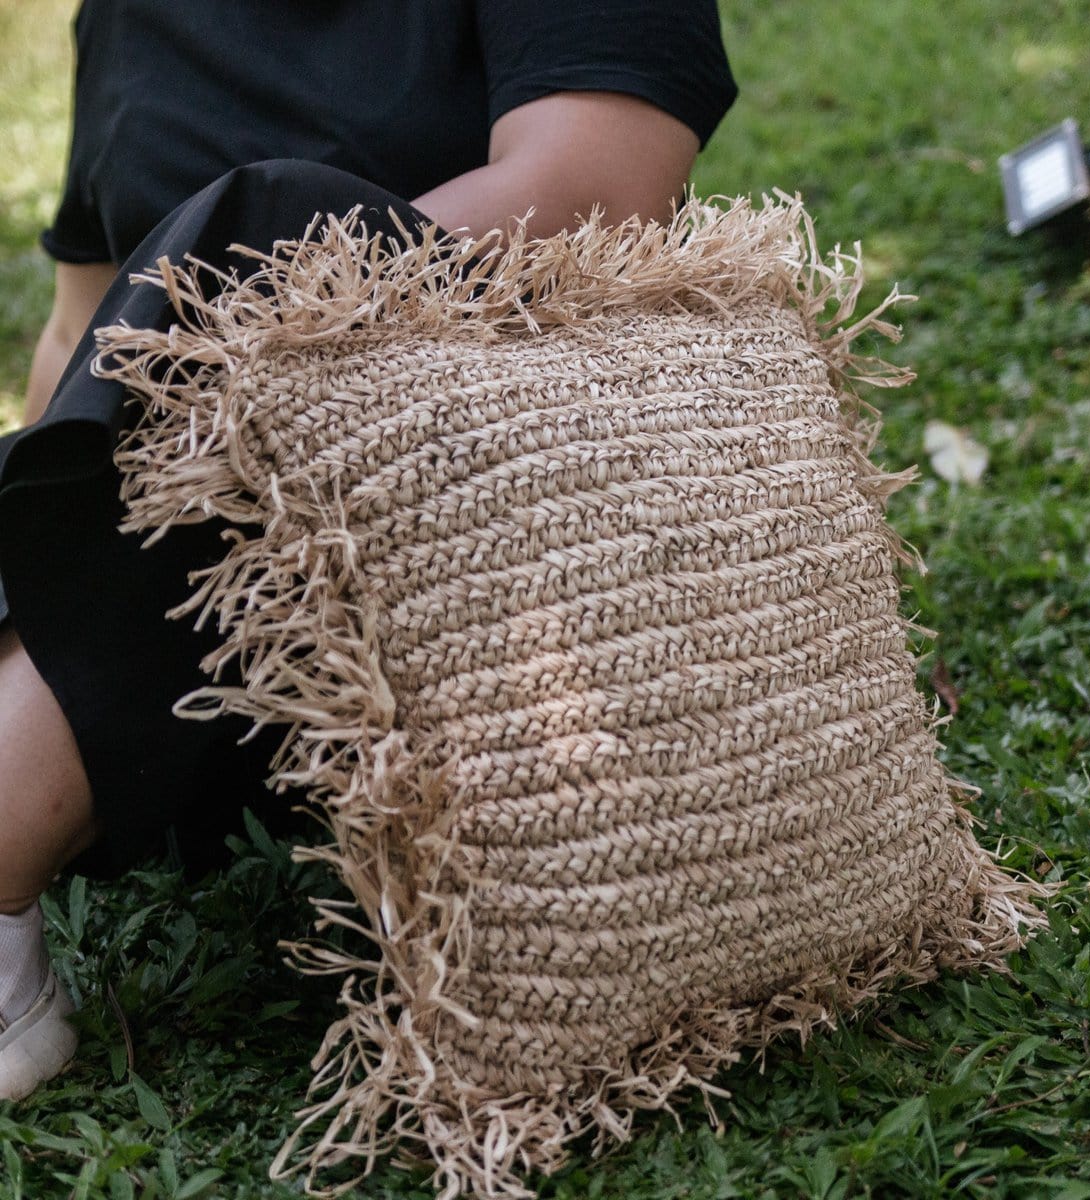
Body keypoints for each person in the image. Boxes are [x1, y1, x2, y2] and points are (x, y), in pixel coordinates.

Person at [0, 0, 737, 1100]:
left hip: (499, 556)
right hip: (207, 652)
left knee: (268, 229)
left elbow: (599, 188)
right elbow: (81, 332)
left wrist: (236, 355)